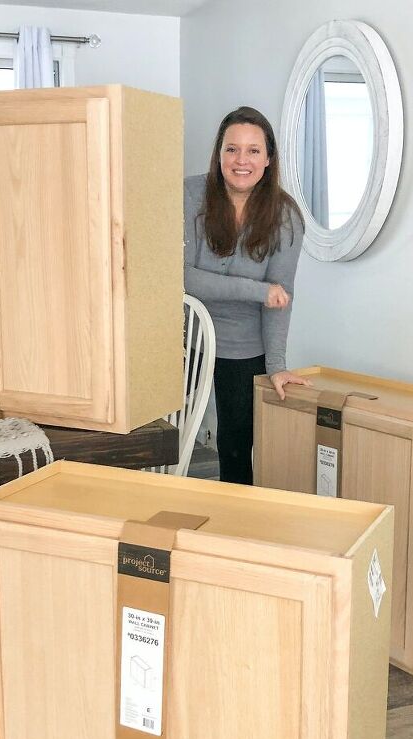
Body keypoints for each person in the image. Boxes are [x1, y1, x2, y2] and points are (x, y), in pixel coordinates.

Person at [184, 106, 310, 485]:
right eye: (232, 149)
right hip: (185, 338)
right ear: (218, 154)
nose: (242, 160)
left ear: (268, 159)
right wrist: (257, 290)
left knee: (236, 448)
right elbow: (182, 278)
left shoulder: (286, 216)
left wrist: (276, 365)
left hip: (243, 346)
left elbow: (280, 299)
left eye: (254, 151)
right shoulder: (190, 194)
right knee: (164, 434)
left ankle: (232, 532)